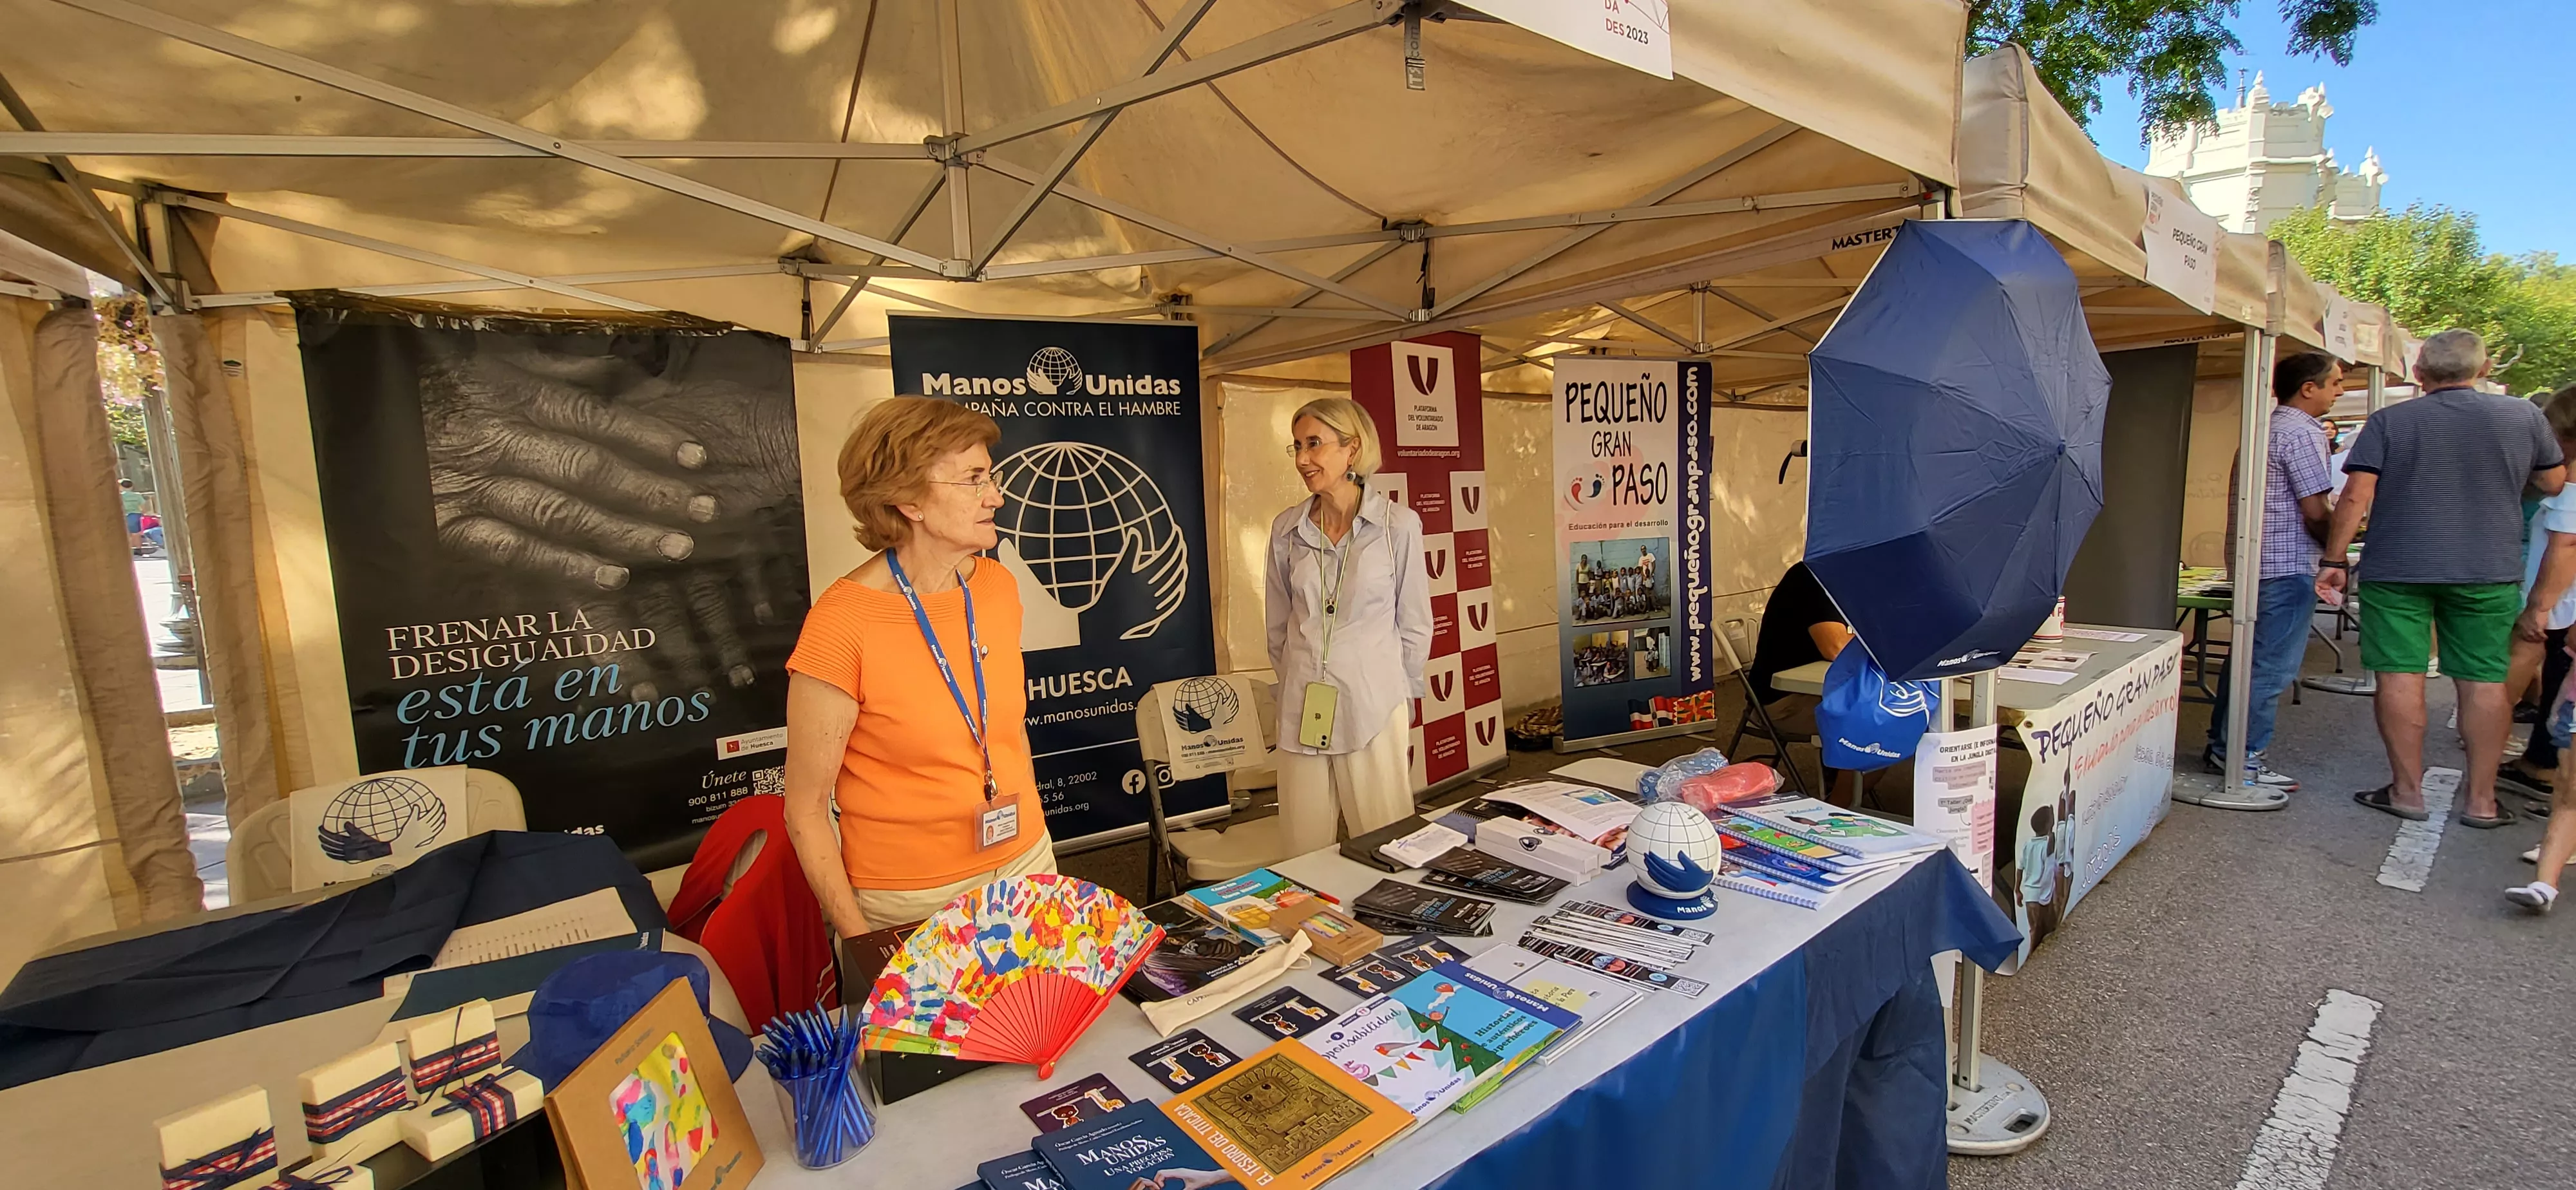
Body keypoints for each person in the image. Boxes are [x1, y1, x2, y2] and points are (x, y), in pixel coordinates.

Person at [780, 397, 1054, 938]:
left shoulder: (997, 589)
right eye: (973, 479)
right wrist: (859, 941)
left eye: (990, 476)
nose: (996, 496)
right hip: (912, 896)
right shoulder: (842, 622)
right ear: (909, 501)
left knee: (1047, 1018)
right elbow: (805, 809)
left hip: (1026, 864)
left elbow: (1006, 736)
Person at [2318, 330, 2568, 827]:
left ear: (2419, 374)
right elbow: (2554, 482)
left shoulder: (2389, 421)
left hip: (2399, 567)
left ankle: (2407, 793)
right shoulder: (2524, 416)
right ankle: (2482, 801)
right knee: (2484, 680)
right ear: (2485, 367)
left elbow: (2355, 495)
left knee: (2400, 675)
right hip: (2488, 569)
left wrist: (2335, 558)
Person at [1265, 397, 1431, 856]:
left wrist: (1398, 695)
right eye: (1296, 446)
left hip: (1372, 705)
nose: (1302, 459)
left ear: (1352, 449)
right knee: (1303, 851)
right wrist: (1297, 677)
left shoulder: (1399, 526)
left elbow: (1415, 625)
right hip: (1304, 707)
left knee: (1386, 846)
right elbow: (1278, 625)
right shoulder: (1286, 530)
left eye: (1314, 444)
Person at [2202, 352, 2343, 802]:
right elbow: (2316, 508)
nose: (2339, 391)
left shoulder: (2265, 428)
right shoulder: (2302, 433)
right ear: (2309, 388)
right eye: (2335, 383)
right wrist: (2338, 547)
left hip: (2256, 562)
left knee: (2246, 662)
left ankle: (2227, 749)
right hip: (2285, 562)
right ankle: (2241, 755)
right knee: (2269, 667)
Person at [2499, 387, 2576, 805]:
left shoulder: (2573, 486)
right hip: (2564, 608)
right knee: (2557, 686)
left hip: (2559, 606)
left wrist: (2539, 607)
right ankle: (2543, 763)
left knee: (2550, 681)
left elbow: (2566, 546)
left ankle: (2546, 770)